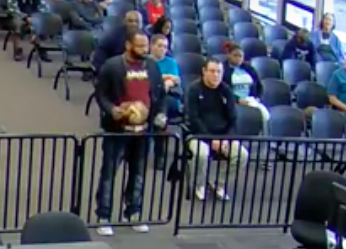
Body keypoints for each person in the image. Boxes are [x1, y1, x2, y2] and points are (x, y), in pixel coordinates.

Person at [93, 31, 165, 235]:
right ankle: (104, 215)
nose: (144, 49)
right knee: (109, 173)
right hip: (117, 131)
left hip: (143, 131)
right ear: (128, 45)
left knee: (138, 173)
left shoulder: (152, 66)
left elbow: (160, 94)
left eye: (146, 46)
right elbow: (101, 94)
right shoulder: (112, 66)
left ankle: (133, 211)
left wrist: (160, 114)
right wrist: (111, 109)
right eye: (140, 46)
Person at [185, 58, 249, 202]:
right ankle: (199, 185)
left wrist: (226, 138)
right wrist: (210, 138)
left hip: (223, 136)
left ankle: (219, 183)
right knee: (202, 154)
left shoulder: (226, 91)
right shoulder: (194, 89)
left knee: (242, 155)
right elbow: (193, 119)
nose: (216, 75)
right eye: (212, 71)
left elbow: (233, 119)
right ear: (204, 72)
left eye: (219, 72)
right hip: (198, 135)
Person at [149, 34, 181, 169]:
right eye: (160, 46)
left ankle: (159, 155)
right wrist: (165, 78)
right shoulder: (145, 61)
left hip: (170, 99)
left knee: (163, 104)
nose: (163, 49)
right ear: (151, 46)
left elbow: (175, 80)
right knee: (158, 117)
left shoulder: (171, 62)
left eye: (165, 47)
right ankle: (158, 155)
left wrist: (164, 81)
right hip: (149, 97)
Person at [223, 41, 269, 131]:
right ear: (228, 55)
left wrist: (257, 97)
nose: (238, 58)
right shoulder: (223, 69)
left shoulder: (249, 68)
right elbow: (223, 89)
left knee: (264, 114)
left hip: (250, 99)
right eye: (235, 55)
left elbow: (258, 85)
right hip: (232, 101)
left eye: (240, 56)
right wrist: (238, 100)